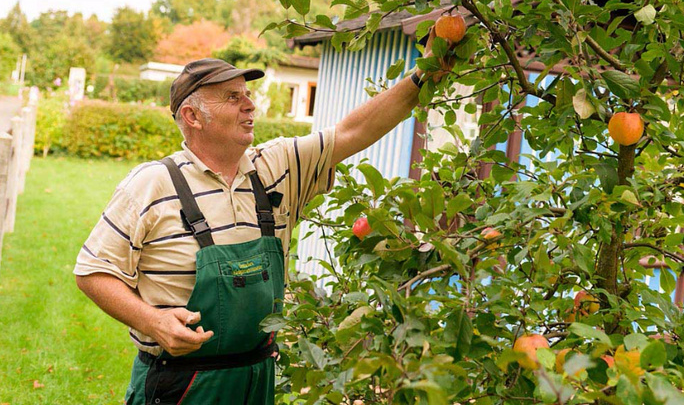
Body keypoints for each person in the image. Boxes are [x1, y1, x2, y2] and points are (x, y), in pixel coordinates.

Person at [74, 30, 446, 404]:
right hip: (179, 384)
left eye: (247, 95)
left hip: (256, 379)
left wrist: (422, 77)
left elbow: (355, 130)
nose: (249, 105)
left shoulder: (278, 166)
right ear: (192, 116)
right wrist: (151, 321)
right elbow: (93, 271)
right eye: (233, 98)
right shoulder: (152, 185)